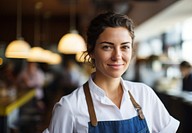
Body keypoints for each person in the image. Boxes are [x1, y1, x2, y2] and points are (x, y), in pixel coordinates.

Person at [43, 12, 179, 133]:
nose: (117, 56)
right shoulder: (69, 107)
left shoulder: (144, 95)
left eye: (125, 47)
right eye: (107, 47)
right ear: (91, 51)